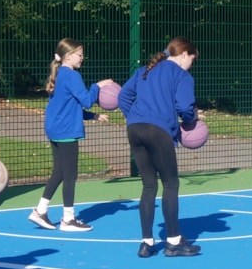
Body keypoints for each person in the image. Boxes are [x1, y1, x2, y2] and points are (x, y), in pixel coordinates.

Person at [118, 37, 201, 257]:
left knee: (148, 185)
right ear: (184, 54)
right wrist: (192, 118)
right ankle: (173, 242)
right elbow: (185, 106)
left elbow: (123, 95)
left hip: (134, 128)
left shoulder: (146, 69)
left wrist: (134, 116)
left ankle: (146, 243)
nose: (192, 64)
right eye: (192, 59)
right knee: (171, 184)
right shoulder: (181, 75)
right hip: (158, 130)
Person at [28, 39, 115, 232]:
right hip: (66, 131)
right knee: (70, 175)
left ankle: (40, 211)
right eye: (79, 55)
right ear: (68, 56)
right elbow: (86, 99)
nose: (82, 58)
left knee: (59, 171)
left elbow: (69, 106)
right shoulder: (72, 76)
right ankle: (68, 219)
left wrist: (93, 116)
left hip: (55, 128)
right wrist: (97, 86)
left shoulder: (60, 75)